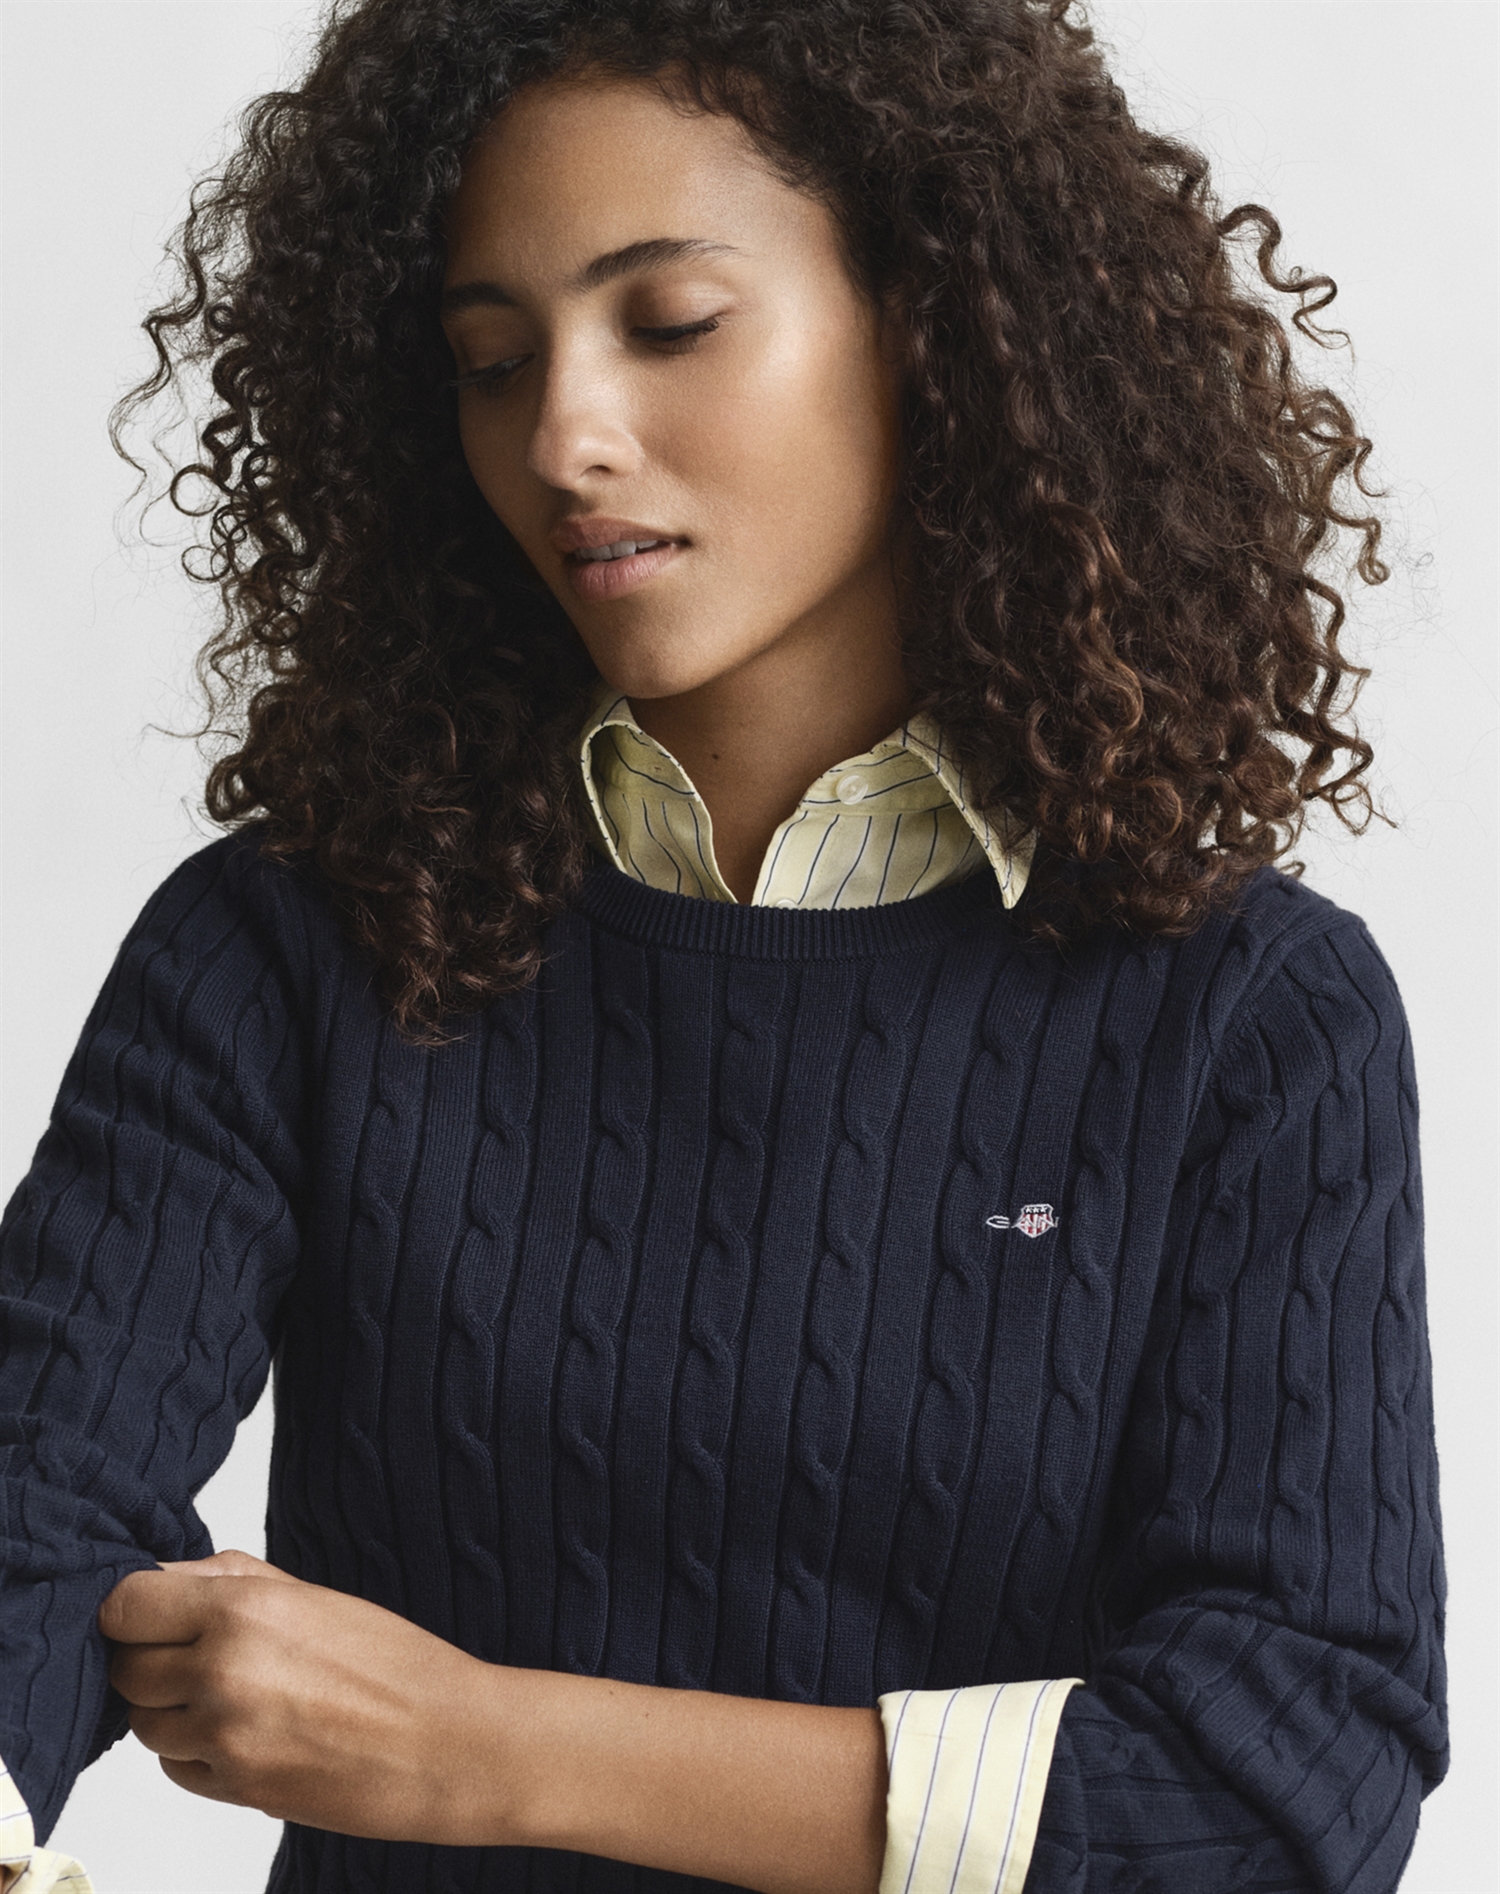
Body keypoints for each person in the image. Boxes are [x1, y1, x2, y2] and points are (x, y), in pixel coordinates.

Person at [0, 0, 1447, 1890]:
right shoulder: (293, 943)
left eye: (670, 321)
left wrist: (492, 1750)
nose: (564, 436)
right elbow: (33, 1507)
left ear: (931, 320)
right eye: (490, 360)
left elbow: (1283, 1783)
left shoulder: (1248, 1017)